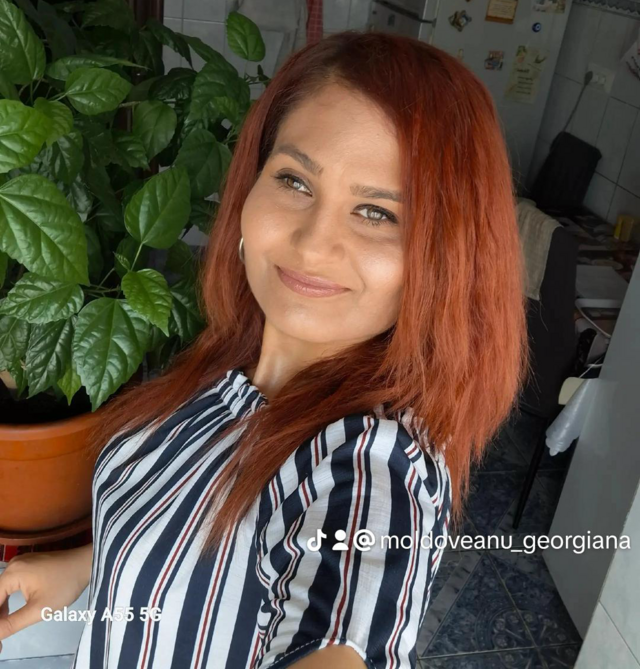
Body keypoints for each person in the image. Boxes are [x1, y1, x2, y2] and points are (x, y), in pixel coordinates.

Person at [0, 33, 529, 668]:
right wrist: (93, 565)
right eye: (295, 181)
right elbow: (200, 531)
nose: (312, 243)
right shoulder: (227, 367)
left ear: (446, 261)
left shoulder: (370, 463)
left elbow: (344, 633)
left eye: (377, 213)